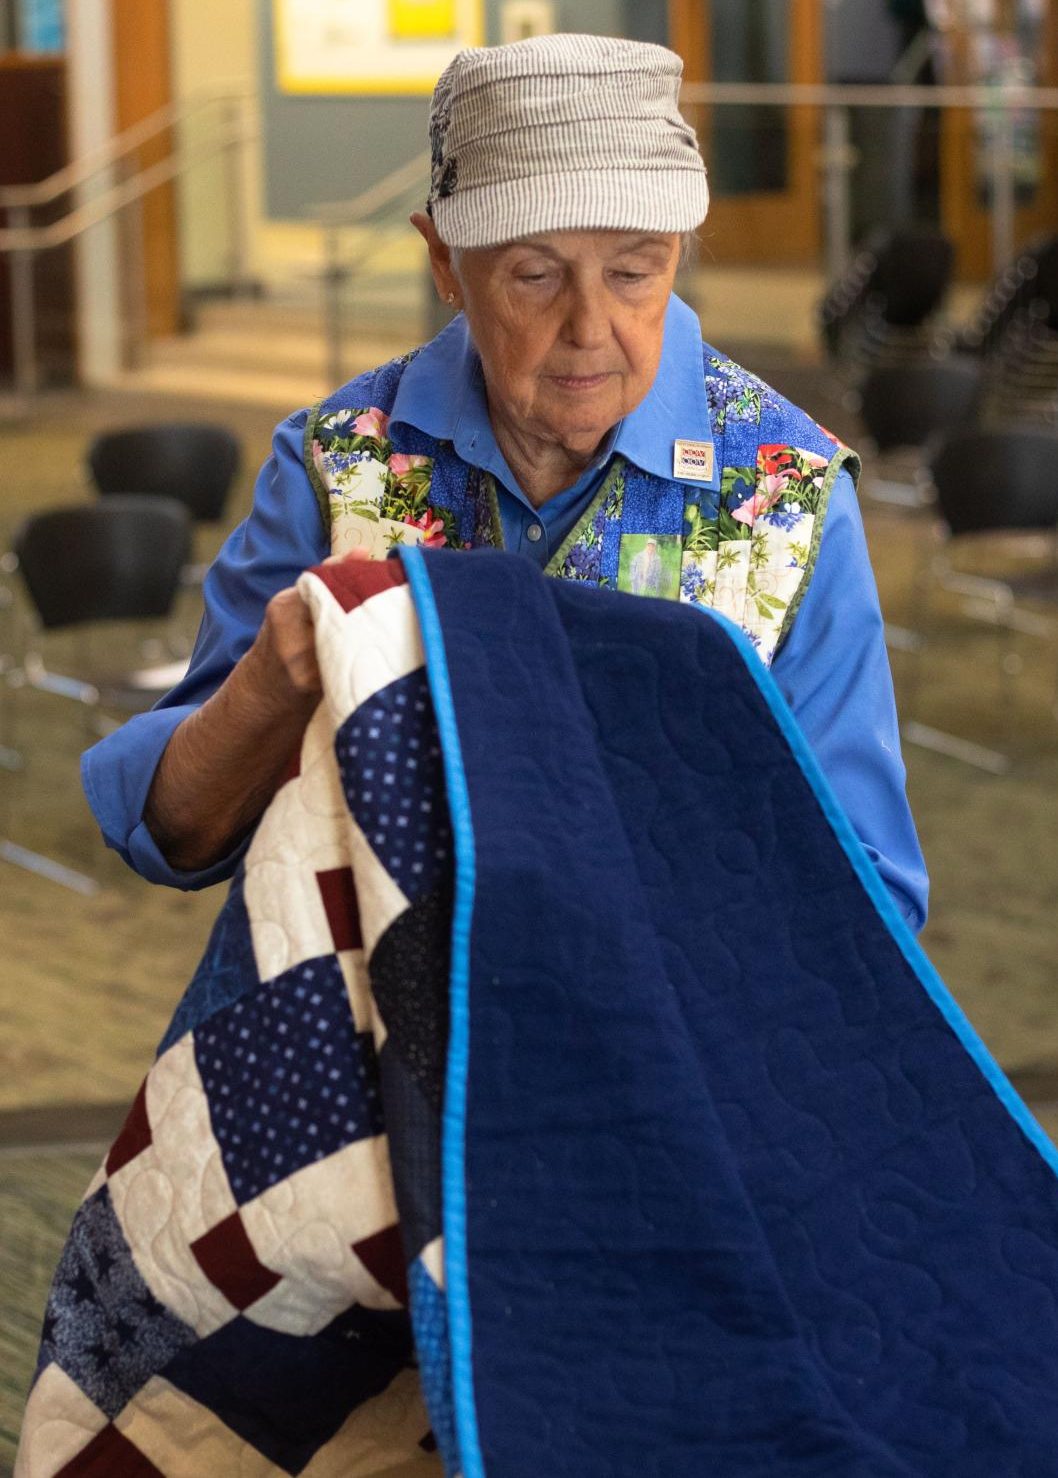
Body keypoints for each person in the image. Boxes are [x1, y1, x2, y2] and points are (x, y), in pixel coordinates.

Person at [82, 32, 929, 931]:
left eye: (635, 271)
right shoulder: (340, 464)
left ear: (678, 252)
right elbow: (173, 831)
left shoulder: (785, 497)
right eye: (535, 273)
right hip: (397, 1042)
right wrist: (271, 685)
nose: (591, 326)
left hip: (676, 1042)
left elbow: (876, 894)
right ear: (445, 260)